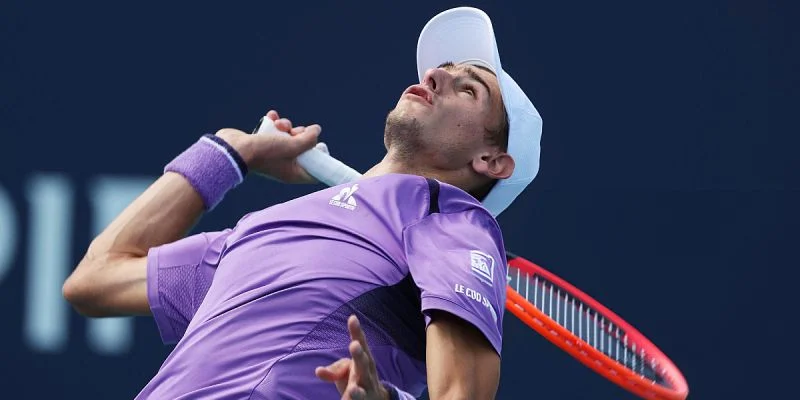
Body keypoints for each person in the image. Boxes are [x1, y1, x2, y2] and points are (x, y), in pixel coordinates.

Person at [63, 7, 541, 400]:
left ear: (491, 161)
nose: (434, 76)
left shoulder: (455, 220)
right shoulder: (265, 226)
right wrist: (232, 151)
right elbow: (94, 279)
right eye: (443, 70)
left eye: (468, 89)